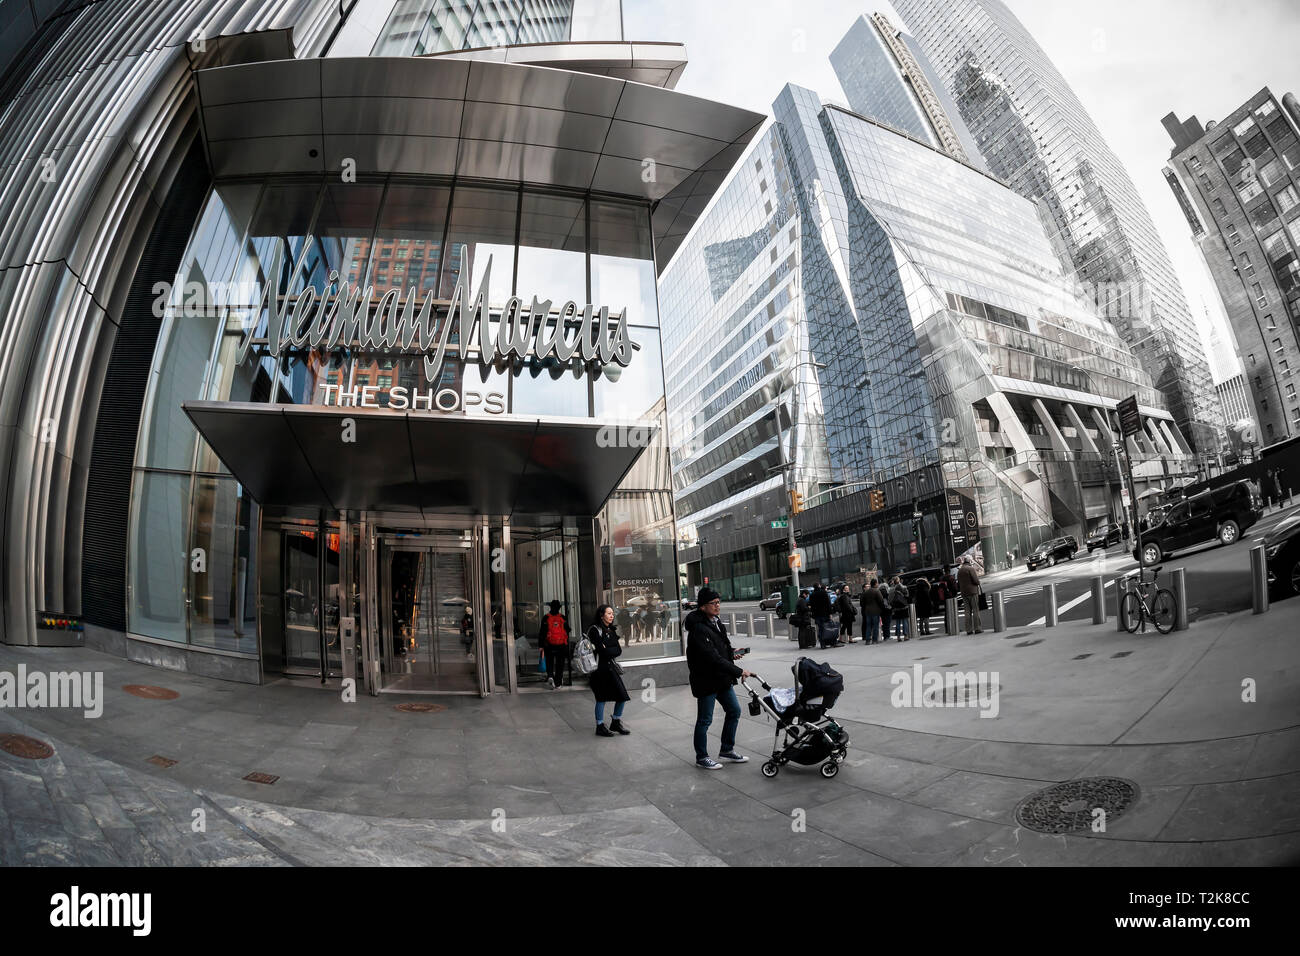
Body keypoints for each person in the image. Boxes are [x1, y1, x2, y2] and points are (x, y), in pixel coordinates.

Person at [685, 587, 753, 769]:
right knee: (705, 720)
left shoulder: (716, 623)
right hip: (706, 680)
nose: (717, 606)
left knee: (734, 711)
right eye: (713, 603)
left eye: (718, 602)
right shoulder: (698, 629)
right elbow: (712, 657)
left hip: (721, 678)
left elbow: (719, 649)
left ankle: (727, 749)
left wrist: (731, 654)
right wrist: (738, 671)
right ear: (702, 606)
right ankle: (702, 756)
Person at [587, 605, 630, 736]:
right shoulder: (594, 630)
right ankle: (599, 726)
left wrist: (608, 648)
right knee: (601, 698)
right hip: (598, 670)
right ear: (601, 615)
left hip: (610, 668)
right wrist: (607, 648)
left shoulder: (611, 629)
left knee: (622, 696)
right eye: (609, 613)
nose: (612, 616)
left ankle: (615, 722)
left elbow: (618, 650)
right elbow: (601, 650)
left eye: (612, 613)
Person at [538, 599, 570, 689]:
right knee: (560, 664)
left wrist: (541, 645)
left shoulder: (546, 618)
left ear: (550, 607)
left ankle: (551, 675)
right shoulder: (563, 617)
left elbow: (542, 633)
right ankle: (558, 683)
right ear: (559, 608)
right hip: (561, 645)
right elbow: (568, 630)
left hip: (549, 644)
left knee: (549, 661)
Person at [958, 556, 983, 634]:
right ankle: (977, 628)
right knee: (975, 610)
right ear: (969, 561)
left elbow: (959, 582)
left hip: (964, 593)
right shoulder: (970, 569)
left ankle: (968, 630)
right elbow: (976, 581)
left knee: (967, 611)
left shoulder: (960, 570)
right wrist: (978, 582)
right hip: (973, 592)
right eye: (971, 560)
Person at [859, 578, 887, 644]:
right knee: (875, 626)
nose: (877, 584)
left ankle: (867, 640)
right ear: (875, 584)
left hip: (867, 611)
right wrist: (882, 608)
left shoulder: (866, 592)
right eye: (877, 583)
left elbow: (862, 603)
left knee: (868, 626)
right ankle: (874, 640)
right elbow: (881, 601)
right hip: (875, 611)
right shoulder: (877, 591)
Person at [810, 582, 833, 646]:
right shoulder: (823, 592)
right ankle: (829, 642)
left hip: (817, 615)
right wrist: (830, 613)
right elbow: (828, 604)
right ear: (819, 586)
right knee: (827, 628)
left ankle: (822, 643)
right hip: (825, 614)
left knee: (820, 629)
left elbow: (811, 606)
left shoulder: (812, 595)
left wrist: (813, 615)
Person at [887, 575, 910, 640]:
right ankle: (905, 636)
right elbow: (907, 596)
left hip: (896, 608)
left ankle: (898, 637)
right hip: (904, 606)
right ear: (899, 580)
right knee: (905, 621)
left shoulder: (891, 589)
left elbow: (889, 600)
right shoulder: (904, 587)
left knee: (898, 622)